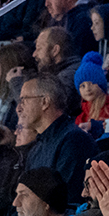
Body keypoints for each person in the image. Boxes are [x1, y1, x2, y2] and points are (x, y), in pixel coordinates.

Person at [18, 74, 98, 202]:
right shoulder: (36, 150)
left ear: (44, 102)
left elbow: (66, 201)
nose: (19, 108)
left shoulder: (74, 140)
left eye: (24, 100)